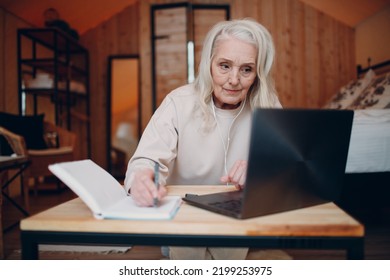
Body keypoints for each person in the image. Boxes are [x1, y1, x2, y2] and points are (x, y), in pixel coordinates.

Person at [124, 18, 282, 259]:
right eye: (224, 66)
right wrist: (143, 178)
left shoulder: (268, 106)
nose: (234, 80)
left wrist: (261, 172)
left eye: (247, 69)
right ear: (208, 64)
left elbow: (286, 168)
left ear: (258, 73)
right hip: (184, 211)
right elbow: (145, 160)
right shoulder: (178, 102)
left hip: (237, 213)